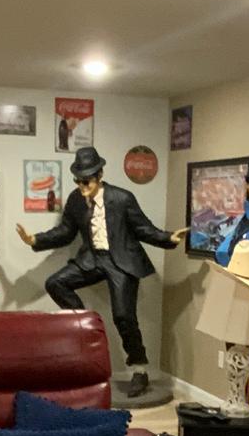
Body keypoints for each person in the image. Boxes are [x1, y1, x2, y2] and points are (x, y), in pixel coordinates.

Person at [17, 144, 184, 398]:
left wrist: (168, 238)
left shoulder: (122, 198)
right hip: (92, 259)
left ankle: (140, 369)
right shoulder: (75, 200)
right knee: (55, 283)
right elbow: (65, 232)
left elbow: (143, 228)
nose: (82, 186)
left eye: (87, 181)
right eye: (78, 180)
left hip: (122, 261)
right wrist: (35, 240)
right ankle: (84, 326)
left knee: (123, 317)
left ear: (100, 176)